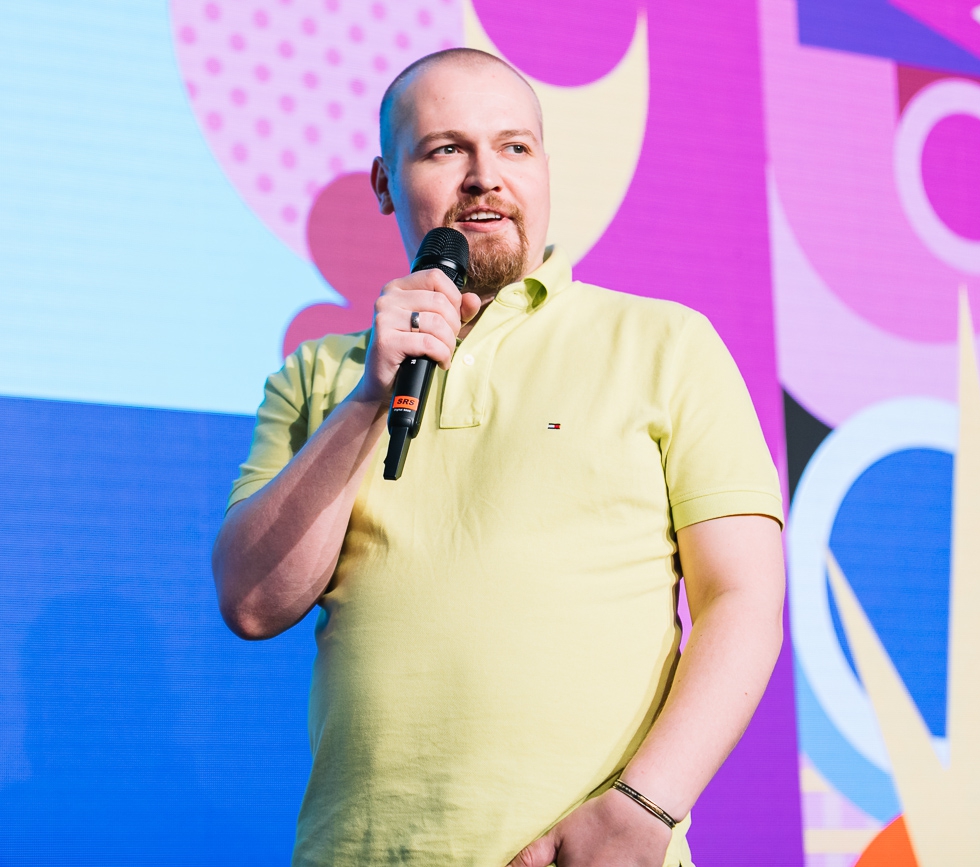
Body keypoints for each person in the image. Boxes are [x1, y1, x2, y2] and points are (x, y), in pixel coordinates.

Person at [212, 48, 786, 867]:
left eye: (515, 146)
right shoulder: (320, 377)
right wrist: (370, 396)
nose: (485, 176)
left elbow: (743, 597)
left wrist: (642, 808)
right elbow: (252, 602)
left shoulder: (666, 343)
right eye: (447, 148)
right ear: (384, 182)